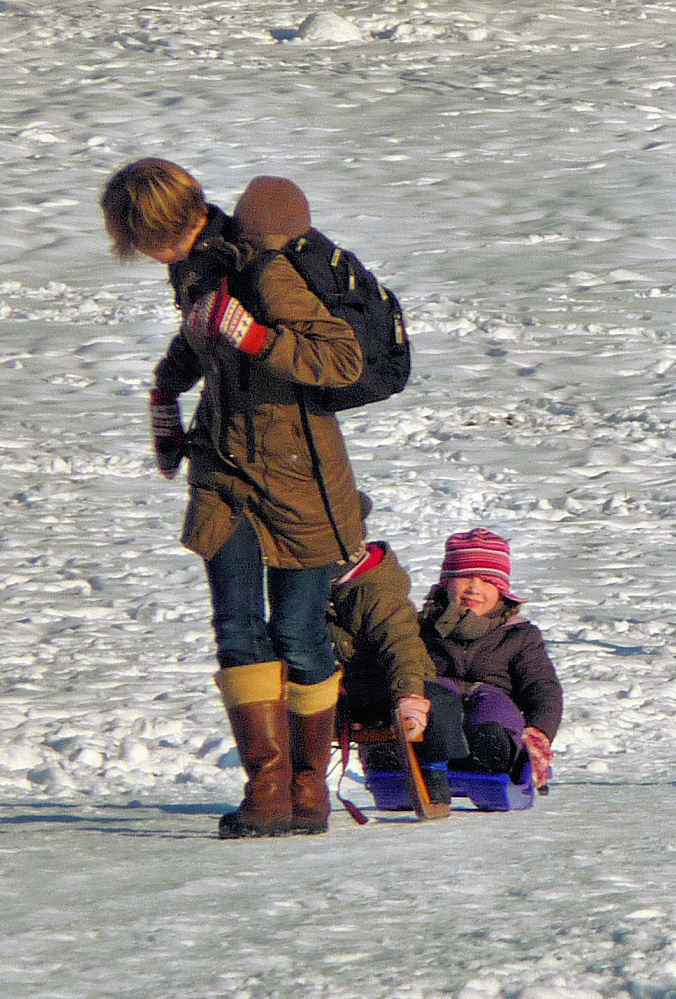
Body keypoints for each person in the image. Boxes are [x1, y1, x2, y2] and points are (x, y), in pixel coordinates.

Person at [100, 160, 365, 837]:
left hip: (300, 476)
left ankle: (309, 789)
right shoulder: (192, 270)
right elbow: (200, 335)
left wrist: (252, 334)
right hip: (224, 470)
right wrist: (166, 387)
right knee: (236, 625)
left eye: (132, 234)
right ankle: (268, 787)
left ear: (152, 228)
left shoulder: (264, 270)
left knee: (300, 634)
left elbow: (340, 360)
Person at [327, 500, 469, 804]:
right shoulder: (311, 589)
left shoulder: (376, 591)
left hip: (392, 685)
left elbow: (401, 646)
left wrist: (408, 697)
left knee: (439, 700)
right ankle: (382, 768)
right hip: (342, 691)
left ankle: (433, 771)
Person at [419, 528, 563, 789]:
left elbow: (542, 688)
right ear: (446, 581)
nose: (474, 589)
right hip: (436, 716)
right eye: (465, 577)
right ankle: (405, 757)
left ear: (502, 590)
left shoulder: (519, 635)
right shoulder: (421, 629)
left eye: (487, 581)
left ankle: (495, 752)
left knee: (492, 706)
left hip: (493, 705)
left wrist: (538, 734)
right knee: (435, 697)